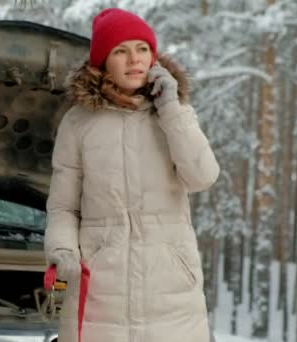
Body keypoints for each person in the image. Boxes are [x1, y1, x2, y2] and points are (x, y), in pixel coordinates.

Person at [44, 7, 220, 342]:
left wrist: (170, 108)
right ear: (102, 62)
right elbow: (64, 206)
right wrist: (63, 251)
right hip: (101, 288)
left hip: (171, 289)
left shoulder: (174, 113)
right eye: (120, 51)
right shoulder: (78, 123)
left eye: (142, 49)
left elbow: (202, 176)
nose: (134, 59)